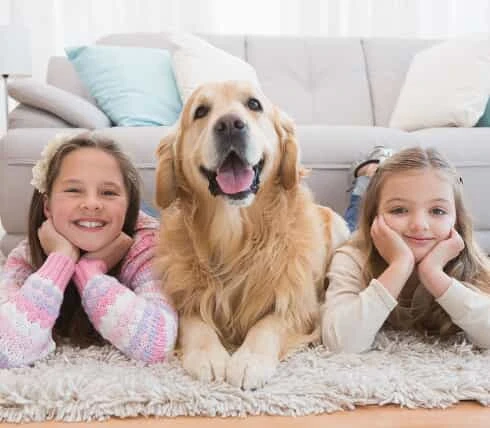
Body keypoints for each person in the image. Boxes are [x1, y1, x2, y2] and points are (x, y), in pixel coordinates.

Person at [0, 132, 178, 368]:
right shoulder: (27, 256)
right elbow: (7, 348)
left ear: (128, 206)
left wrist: (91, 273)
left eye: (109, 193)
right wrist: (60, 260)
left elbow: (158, 343)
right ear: (48, 206)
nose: (92, 203)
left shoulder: (145, 248)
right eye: (74, 190)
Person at [322, 146, 490, 353]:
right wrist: (400, 265)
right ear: (376, 216)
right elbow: (341, 344)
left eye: (437, 210)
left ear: (457, 220)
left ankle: (373, 175)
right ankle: (366, 176)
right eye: (399, 210)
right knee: (350, 222)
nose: (419, 225)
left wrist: (433, 275)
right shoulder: (352, 256)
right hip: (366, 233)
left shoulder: (466, 255)